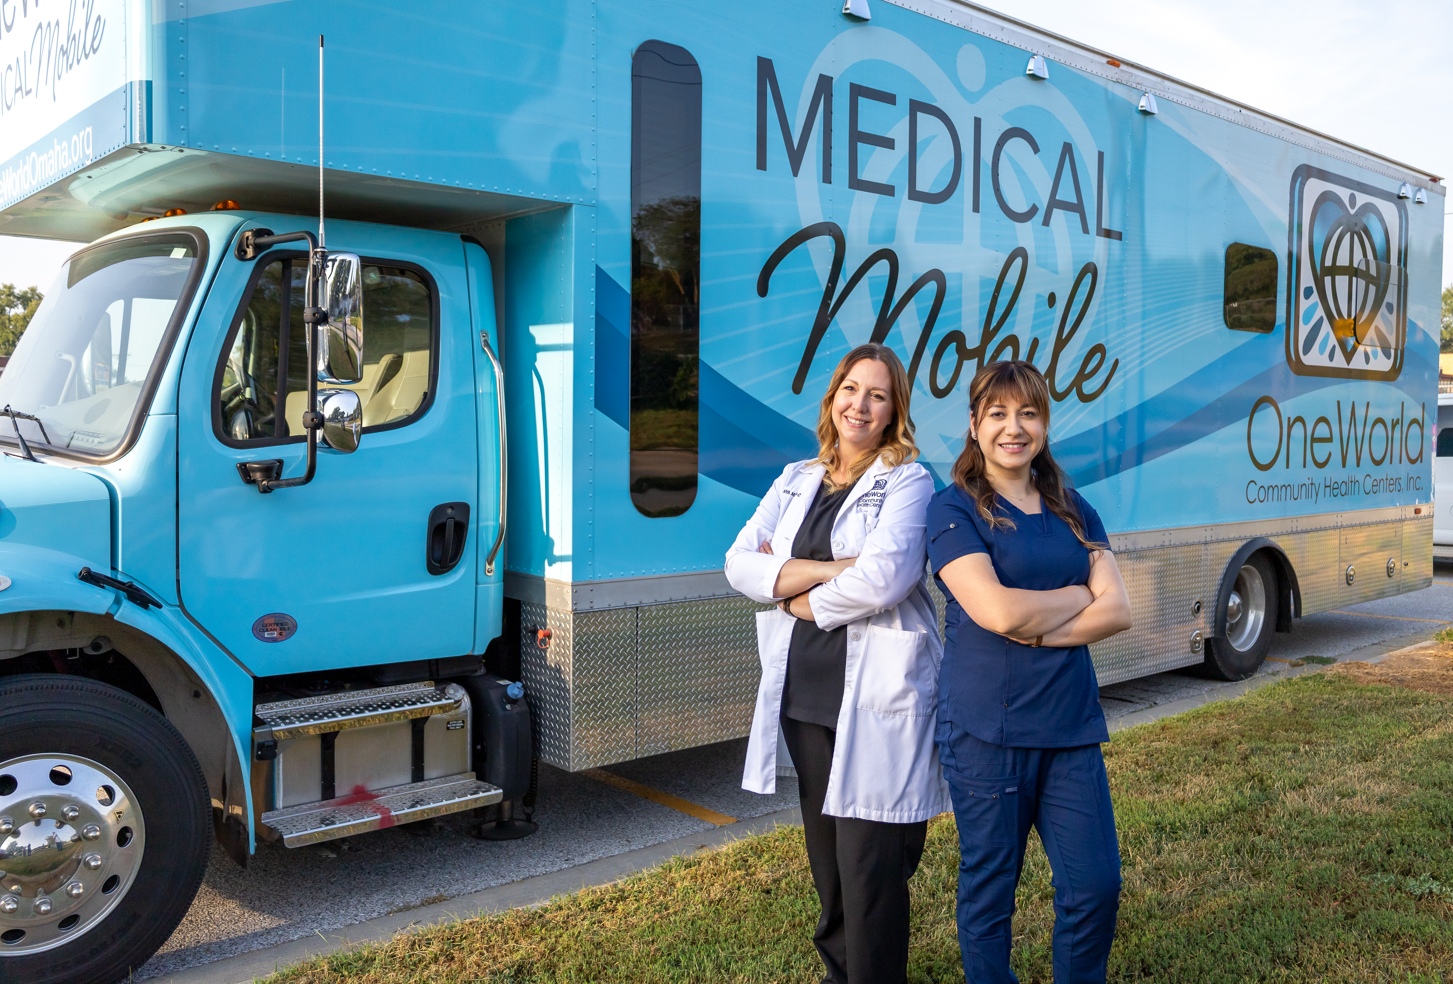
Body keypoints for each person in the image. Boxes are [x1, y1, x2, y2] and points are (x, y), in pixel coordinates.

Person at [725, 342, 950, 984]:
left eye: (877, 395)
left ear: (892, 411)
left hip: (875, 695)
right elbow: (739, 564)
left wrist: (794, 598)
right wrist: (830, 570)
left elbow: (885, 579)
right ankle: (838, 971)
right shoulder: (796, 477)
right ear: (833, 398)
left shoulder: (907, 480)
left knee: (871, 865)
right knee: (828, 859)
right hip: (803, 695)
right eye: (852, 389)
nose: (861, 404)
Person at [926, 360, 1132, 984]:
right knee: (991, 896)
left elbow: (1119, 609)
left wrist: (1031, 627)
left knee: (1094, 885)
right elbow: (995, 610)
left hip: (1069, 727)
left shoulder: (1073, 506)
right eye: (997, 414)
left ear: (1043, 425)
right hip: (988, 733)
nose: (1013, 428)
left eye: (1028, 413)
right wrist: (1076, 596)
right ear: (974, 424)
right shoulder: (951, 509)